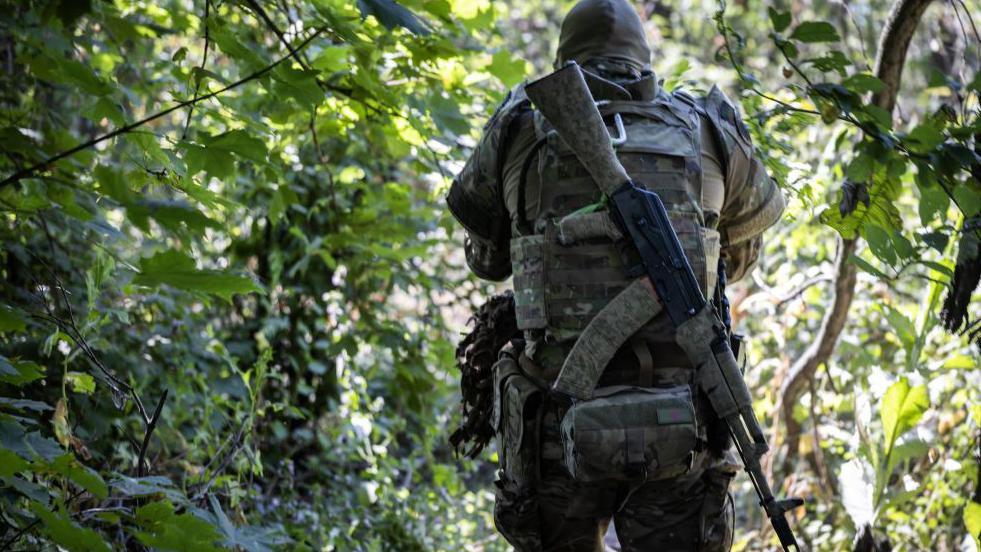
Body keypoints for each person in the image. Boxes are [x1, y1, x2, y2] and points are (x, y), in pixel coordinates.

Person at [446, 0, 785, 550]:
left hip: (552, 430)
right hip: (683, 429)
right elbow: (738, 261)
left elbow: (488, 263)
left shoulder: (518, 128)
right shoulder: (708, 130)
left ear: (565, 58)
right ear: (645, 59)